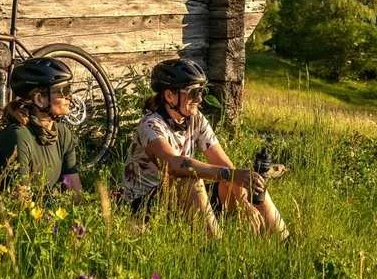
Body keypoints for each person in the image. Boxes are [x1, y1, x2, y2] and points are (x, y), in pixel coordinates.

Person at [120, 57, 287, 238]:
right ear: (169, 96)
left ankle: (284, 241)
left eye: (201, 91)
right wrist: (230, 175)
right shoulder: (151, 125)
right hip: (143, 205)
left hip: (177, 198)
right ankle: (215, 246)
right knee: (191, 179)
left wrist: (244, 201)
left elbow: (223, 164)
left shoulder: (195, 118)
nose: (199, 99)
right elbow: (174, 165)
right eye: (193, 93)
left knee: (250, 181)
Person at [0, 57, 83, 192]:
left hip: (48, 204)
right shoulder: (18, 136)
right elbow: (19, 197)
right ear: (39, 99)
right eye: (64, 91)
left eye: (69, 89)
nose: (69, 96)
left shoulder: (63, 133)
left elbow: (73, 186)